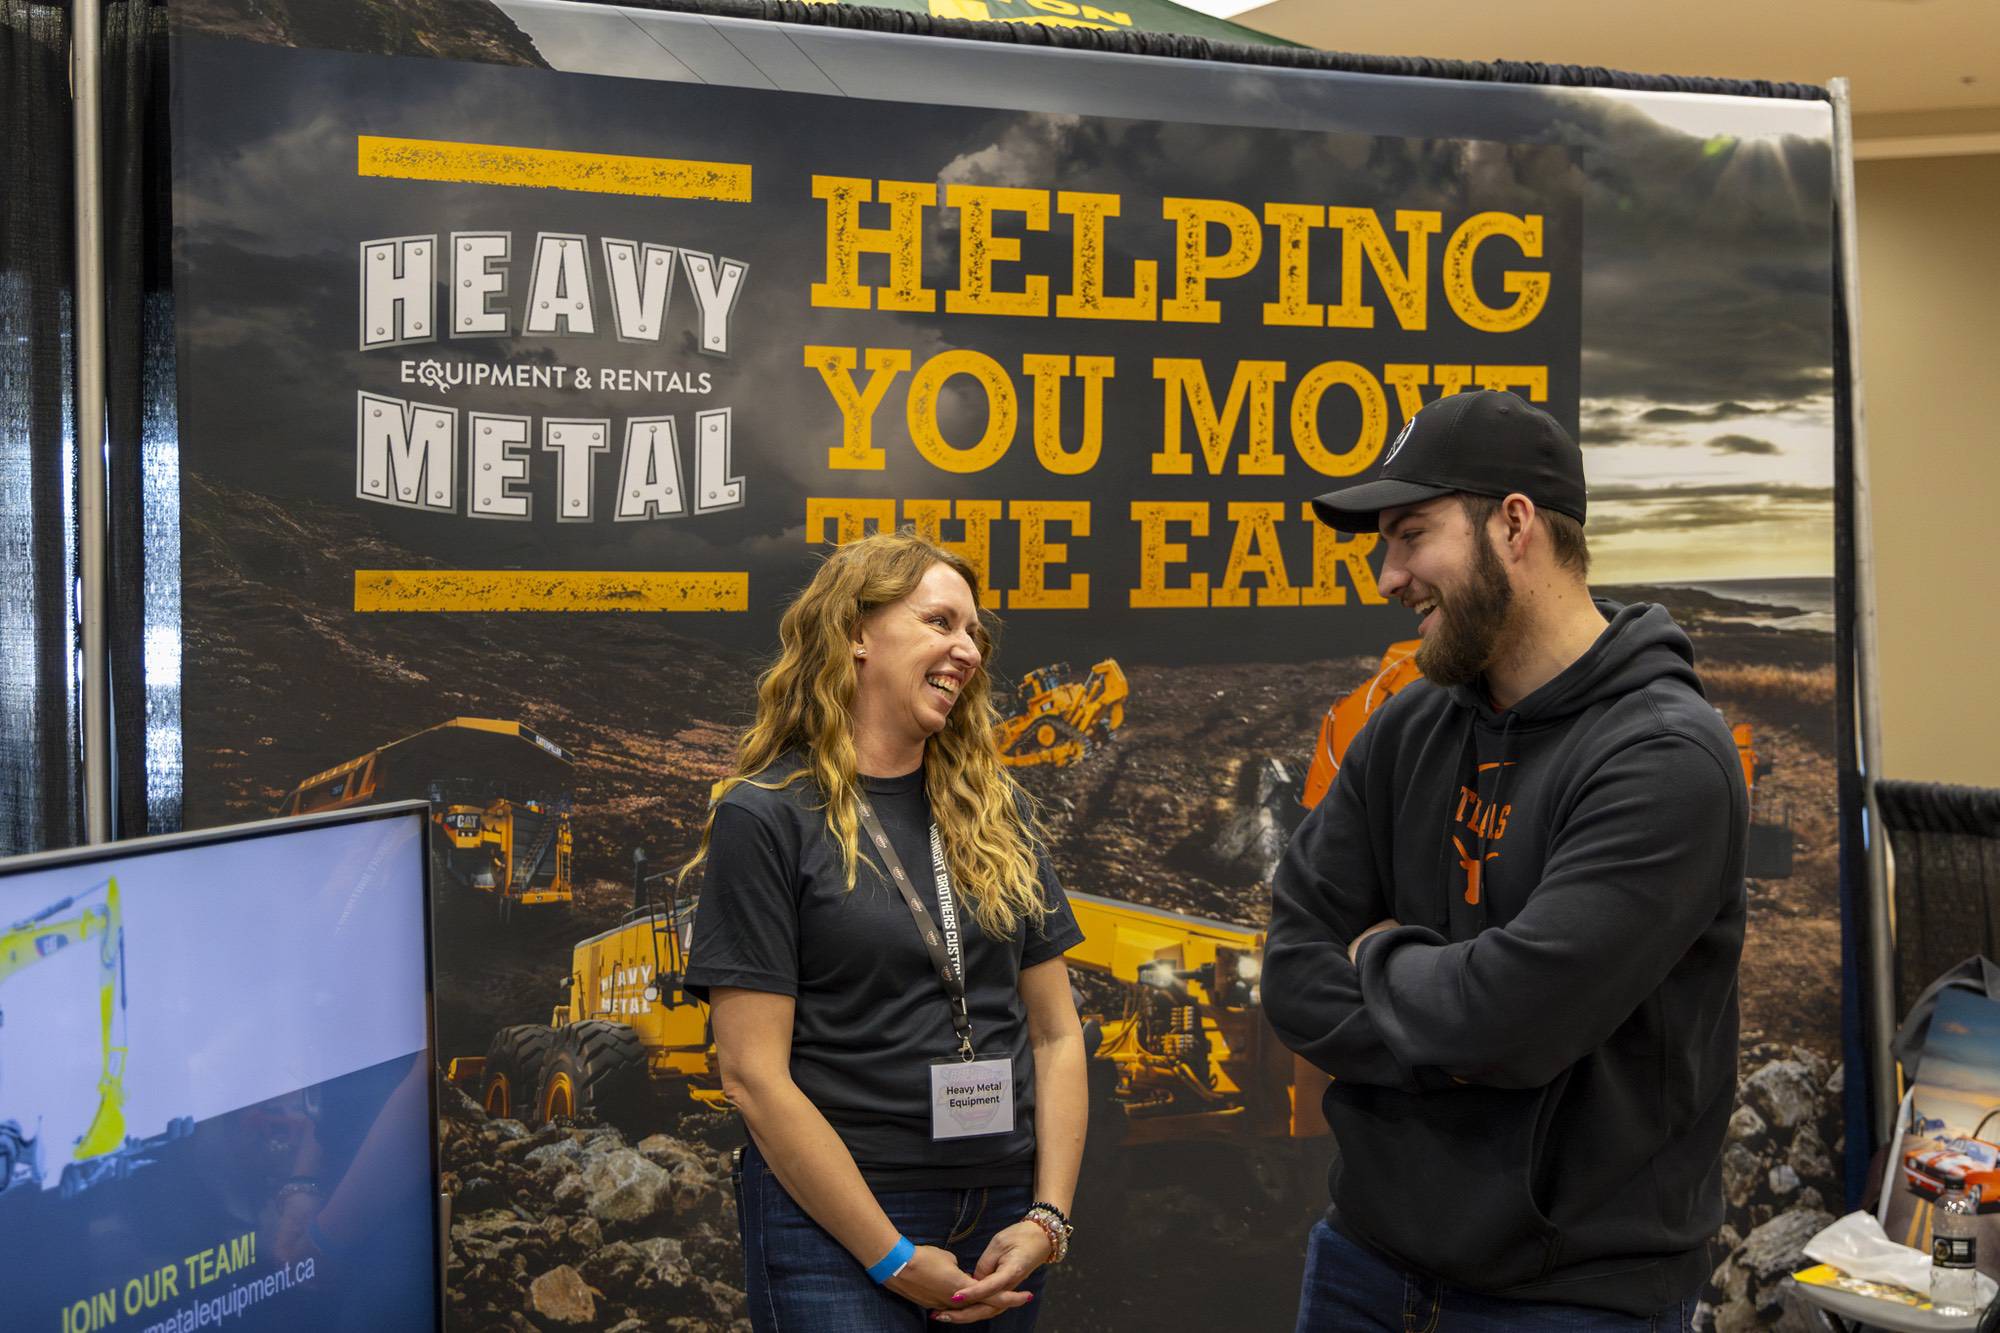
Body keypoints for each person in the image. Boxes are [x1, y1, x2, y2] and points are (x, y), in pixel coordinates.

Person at [1265, 389, 1748, 1329]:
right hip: (1364, 1263)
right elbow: (1290, 968)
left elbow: (1511, 1021)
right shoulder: (1405, 727)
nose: (1388, 576)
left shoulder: (1665, 758)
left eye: (1411, 535)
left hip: (1575, 1300)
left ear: (1514, 524)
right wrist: (1455, 1021)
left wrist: (1375, 956)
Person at [682, 529, 1088, 1330]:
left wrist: (1048, 1217)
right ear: (855, 633)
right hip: (836, 1221)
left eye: (974, 632)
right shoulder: (766, 815)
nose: (967, 649)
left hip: (1003, 1220)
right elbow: (752, 1074)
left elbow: (1057, 1034)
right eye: (940, 621)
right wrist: (891, 1256)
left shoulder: (996, 812)